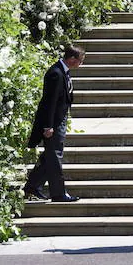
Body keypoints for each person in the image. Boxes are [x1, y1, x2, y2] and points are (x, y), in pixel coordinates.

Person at [24, 45, 85, 202]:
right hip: (53, 123)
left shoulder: (61, 71)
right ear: (72, 59)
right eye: (80, 61)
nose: (81, 64)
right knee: (55, 155)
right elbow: (49, 103)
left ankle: (32, 186)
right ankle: (58, 193)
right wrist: (48, 126)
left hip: (59, 120)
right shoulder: (56, 73)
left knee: (50, 155)